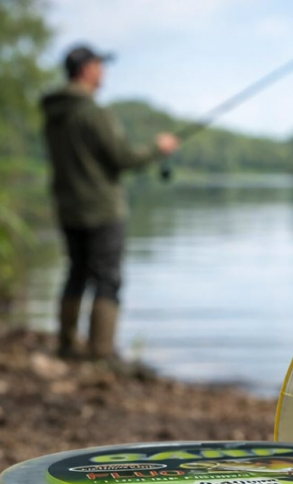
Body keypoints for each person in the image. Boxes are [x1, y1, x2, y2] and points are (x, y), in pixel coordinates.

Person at [40, 45, 179, 360]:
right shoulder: (93, 112)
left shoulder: (54, 113)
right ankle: (101, 354)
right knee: (107, 279)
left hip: (67, 206)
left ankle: (66, 344)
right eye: (99, 65)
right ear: (86, 70)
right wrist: (158, 147)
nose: (103, 71)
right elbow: (123, 158)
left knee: (76, 272)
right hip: (102, 208)